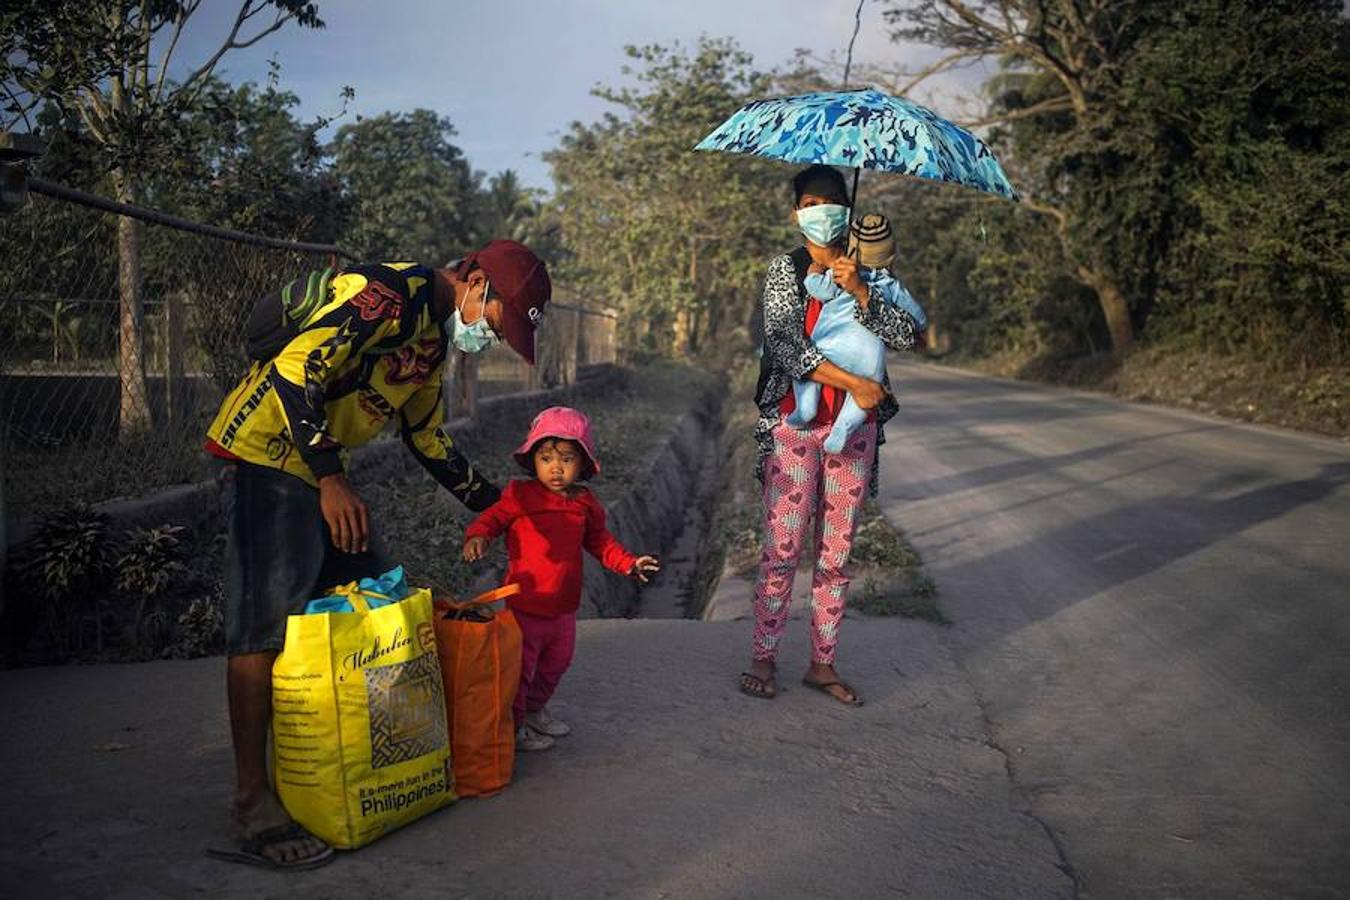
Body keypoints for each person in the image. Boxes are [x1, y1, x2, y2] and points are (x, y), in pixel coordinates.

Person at [203, 240, 551, 869]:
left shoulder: (433, 339)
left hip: (319, 470)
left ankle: (353, 764)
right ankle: (253, 804)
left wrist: (504, 508)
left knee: (379, 598)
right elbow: (294, 368)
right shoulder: (388, 295)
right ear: (474, 283)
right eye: (495, 325)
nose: (489, 340)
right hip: (267, 456)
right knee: (261, 632)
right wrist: (333, 479)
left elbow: (427, 436)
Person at [740, 166, 918, 706]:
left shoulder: (869, 271)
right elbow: (786, 347)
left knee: (836, 554)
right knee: (782, 547)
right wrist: (857, 383)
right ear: (797, 213)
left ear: (845, 209)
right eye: (811, 201)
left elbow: (907, 333)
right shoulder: (783, 272)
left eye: (832, 201)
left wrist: (860, 288)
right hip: (794, 429)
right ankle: (764, 656)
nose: (822, 209)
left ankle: (823, 663)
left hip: (854, 436)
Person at [462, 406, 660, 751]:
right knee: (521, 671)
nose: (556, 467)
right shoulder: (520, 496)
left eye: (567, 459)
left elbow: (600, 542)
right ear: (533, 461)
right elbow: (492, 519)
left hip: (564, 608)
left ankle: (535, 712)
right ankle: (516, 725)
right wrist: (477, 536)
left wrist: (629, 564)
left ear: (582, 464)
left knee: (556, 663)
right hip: (525, 605)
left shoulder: (585, 504)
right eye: (546, 457)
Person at [786, 212, 928, 453]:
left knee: (809, 373)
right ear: (890, 256)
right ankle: (843, 428)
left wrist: (814, 273)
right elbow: (919, 320)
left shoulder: (840, 272)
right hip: (868, 359)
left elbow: (818, 289)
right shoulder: (892, 287)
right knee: (864, 392)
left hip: (829, 344)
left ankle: (805, 408)